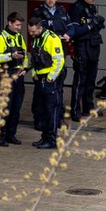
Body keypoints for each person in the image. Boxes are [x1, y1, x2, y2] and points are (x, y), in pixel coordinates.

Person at [31, 0, 71, 129]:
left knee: (58, 90)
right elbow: (33, 34)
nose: (51, 0)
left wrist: (67, 35)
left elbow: (69, 28)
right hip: (42, 58)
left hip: (58, 55)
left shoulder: (62, 12)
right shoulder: (38, 13)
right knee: (40, 93)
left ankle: (57, 119)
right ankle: (40, 120)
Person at [67, 0, 106, 120]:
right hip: (82, 47)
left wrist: (98, 24)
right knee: (80, 80)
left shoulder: (92, 7)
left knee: (91, 80)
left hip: (93, 47)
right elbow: (75, 31)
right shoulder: (76, 9)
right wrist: (90, 25)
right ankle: (75, 110)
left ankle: (88, 107)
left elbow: (95, 26)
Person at [0, 13, 28, 145]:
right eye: (17, 25)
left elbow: (25, 55)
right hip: (6, 76)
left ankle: (11, 134)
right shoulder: (0, 37)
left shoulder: (19, 37)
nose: (19, 27)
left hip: (18, 75)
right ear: (9, 23)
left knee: (16, 107)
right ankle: (0, 135)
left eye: (20, 25)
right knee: (6, 107)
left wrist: (24, 68)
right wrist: (11, 56)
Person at [27, 14, 65, 150]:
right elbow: (34, 59)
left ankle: (51, 139)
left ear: (40, 28)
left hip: (49, 80)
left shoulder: (52, 39)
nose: (31, 34)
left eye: (33, 31)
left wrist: (50, 78)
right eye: (29, 31)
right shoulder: (37, 38)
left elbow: (59, 60)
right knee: (42, 109)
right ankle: (45, 137)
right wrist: (34, 73)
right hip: (40, 79)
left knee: (51, 109)